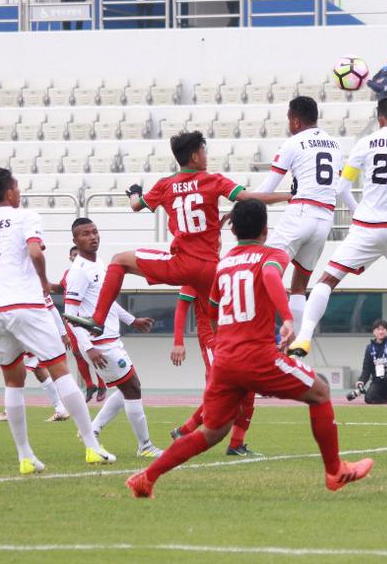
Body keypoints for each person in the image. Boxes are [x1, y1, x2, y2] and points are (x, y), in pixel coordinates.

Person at [125, 199, 374, 498]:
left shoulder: (223, 264)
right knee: (320, 392)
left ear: (233, 231)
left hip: (225, 360)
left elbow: (213, 310)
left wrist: (227, 341)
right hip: (257, 356)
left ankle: (147, 477)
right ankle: (335, 472)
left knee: (212, 432)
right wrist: (286, 318)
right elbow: (269, 275)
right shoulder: (271, 255)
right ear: (265, 230)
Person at [62, 131, 290, 457]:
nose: (206, 156)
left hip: (180, 265)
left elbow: (136, 206)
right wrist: (288, 196)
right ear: (196, 155)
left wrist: (135, 193)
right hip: (210, 269)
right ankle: (230, 406)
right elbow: (249, 197)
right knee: (231, 343)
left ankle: (97, 319)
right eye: (204, 151)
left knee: (119, 261)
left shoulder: (166, 185)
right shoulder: (212, 180)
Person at [0, 168, 116, 474]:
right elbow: (35, 252)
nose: (20, 193)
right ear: (10, 192)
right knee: (59, 370)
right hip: (25, 304)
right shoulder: (25, 216)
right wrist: (42, 281)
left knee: (13, 382)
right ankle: (92, 447)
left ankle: (25, 456)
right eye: (18, 188)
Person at [287, 98, 387, 358]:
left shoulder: (366, 142)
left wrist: (359, 213)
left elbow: (341, 189)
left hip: (368, 227)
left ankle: (304, 337)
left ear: (380, 120)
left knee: (327, 281)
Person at [250, 96, 354, 328]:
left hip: (301, 212)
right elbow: (340, 186)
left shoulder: (293, 143)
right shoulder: (336, 145)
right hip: (324, 220)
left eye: (289, 120)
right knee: (299, 286)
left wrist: (241, 206)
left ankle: (259, 334)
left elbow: (267, 188)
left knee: (263, 270)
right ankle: (297, 341)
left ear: (296, 121)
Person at [63, 217, 163, 458]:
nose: (93, 237)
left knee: (126, 388)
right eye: (86, 234)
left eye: (94, 232)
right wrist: (88, 348)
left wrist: (132, 320)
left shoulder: (99, 263)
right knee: (133, 388)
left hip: (109, 339)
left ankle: (93, 430)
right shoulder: (79, 271)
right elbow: (70, 314)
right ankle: (145, 446)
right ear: (75, 240)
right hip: (99, 344)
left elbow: (106, 302)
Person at [54, 245, 105, 402]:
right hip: (71, 319)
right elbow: (60, 288)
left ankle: (102, 384)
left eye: (78, 254)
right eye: (73, 255)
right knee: (77, 352)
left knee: (92, 350)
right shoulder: (68, 274)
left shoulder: (90, 271)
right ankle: (90, 385)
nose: (76, 257)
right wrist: (43, 284)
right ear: (70, 258)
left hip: (86, 319)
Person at [0, 352, 72, 423]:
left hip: (29, 342)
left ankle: (10, 412)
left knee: (15, 368)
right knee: (39, 370)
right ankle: (61, 410)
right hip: (36, 342)